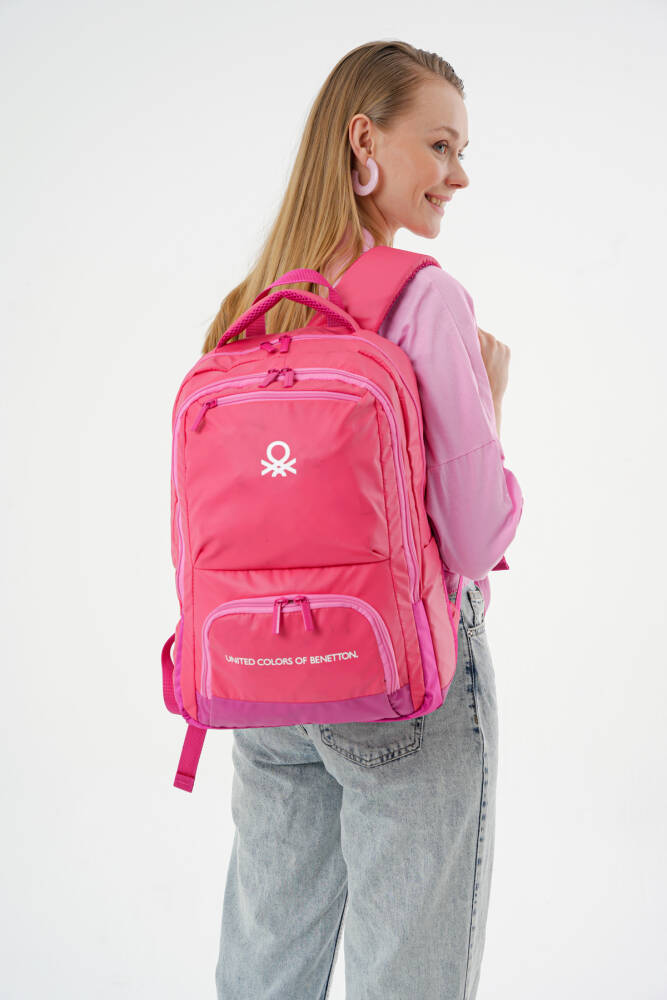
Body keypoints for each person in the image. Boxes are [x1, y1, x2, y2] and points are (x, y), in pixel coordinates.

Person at [206, 40, 524, 1000]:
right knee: (408, 977)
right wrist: (489, 406)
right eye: (439, 144)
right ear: (364, 141)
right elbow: (474, 536)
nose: (457, 175)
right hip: (399, 675)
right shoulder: (423, 298)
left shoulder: (250, 308)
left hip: (261, 679)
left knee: (266, 964)